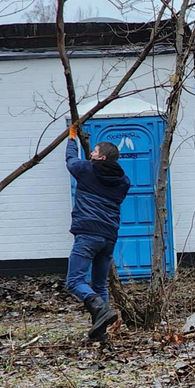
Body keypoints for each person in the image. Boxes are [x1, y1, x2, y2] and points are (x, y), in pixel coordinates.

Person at [64, 123, 131, 342]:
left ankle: (97, 306)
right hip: (109, 237)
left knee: (74, 281)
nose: (91, 153)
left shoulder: (86, 170)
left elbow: (71, 161)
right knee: (100, 283)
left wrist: (72, 139)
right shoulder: (123, 181)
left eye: (94, 151)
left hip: (87, 234)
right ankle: (100, 332)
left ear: (101, 158)